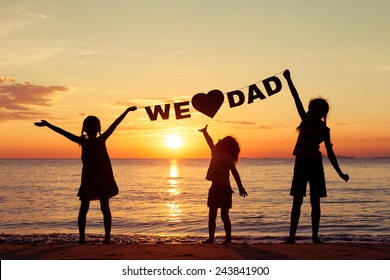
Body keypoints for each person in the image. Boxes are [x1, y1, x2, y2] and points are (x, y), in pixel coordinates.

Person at [34, 106, 137, 244]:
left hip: (103, 178)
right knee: (85, 208)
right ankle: (82, 238)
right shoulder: (83, 142)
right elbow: (63, 132)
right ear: (86, 129)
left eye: (94, 127)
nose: (93, 129)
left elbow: (115, 123)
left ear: (98, 128)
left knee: (104, 208)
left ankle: (106, 238)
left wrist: (127, 111)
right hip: (89, 178)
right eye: (91, 127)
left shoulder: (101, 139)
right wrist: (48, 125)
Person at [282, 69, 349, 244]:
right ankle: (291, 237)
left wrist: (340, 173)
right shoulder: (305, 120)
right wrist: (288, 79)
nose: (308, 109)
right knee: (297, 200)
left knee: (315, 202)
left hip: (314, 165)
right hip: (301, 163)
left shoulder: (324, 130)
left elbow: (331, 153)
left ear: (319, 112)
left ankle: (314, 237)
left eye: (312, 108)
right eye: (309, 108)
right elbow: (295, 98)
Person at [199, 125, 248, 244]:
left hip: (224, 189)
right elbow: (210, 142)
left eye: (221, 140)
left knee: (223, 215)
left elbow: (235, 172)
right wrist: (205, 132)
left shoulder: (228, 157)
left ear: (225, 145)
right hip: (215, 188)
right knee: (212, 215)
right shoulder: (215, 152)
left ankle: (228, 239)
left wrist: (241, 187)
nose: (219, 140)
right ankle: (212, 238)